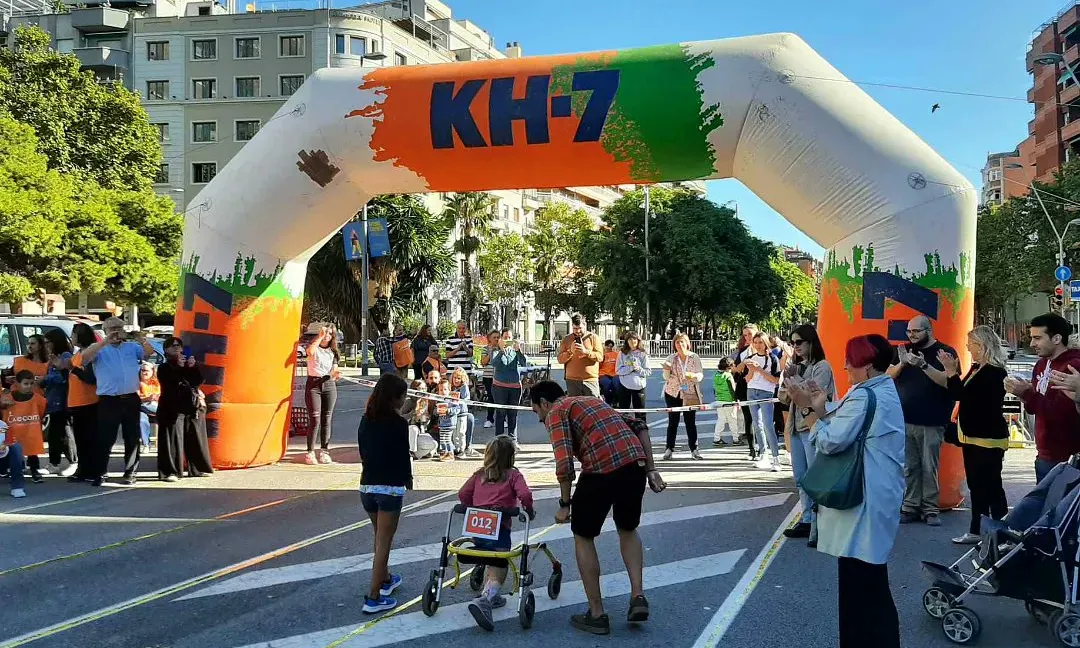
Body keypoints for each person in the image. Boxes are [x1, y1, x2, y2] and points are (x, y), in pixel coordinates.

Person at [786, 334, 904, 648]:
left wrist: (808, 411)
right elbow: (844, 427)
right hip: (878, 494)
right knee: (870, 582)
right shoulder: (881, 389)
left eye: (850, 361)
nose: (846, 367)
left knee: (861, 586)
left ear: (865, 365)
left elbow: (830, 440)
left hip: (864, 497)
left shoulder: (864, 396)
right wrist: (820, 407)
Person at [530, 380, 666, 635]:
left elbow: (564, 462)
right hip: (634, 464)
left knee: (583, 535)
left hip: (601, 469)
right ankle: (637, 596)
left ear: (545, 403)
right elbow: (640, 426)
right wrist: (651, 469)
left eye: (537, 411)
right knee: (627, 528)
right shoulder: (593, 401)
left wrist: (565, 504)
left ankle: (596, 613)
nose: (539, 419)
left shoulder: (557, 412)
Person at [932, 325, 1009, 544]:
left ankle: (1002, 533)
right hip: (973, 437)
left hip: (987, 438)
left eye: (971, 344)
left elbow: (961, 395)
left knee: (992, 486)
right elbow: (962, 393)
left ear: (982, 346)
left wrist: (950, 372)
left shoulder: (994, 371)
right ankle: (977, 530)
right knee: (977, 485)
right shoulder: (978, 368)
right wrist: (953, 373)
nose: (967, 347)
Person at [459, 436, 536, 631]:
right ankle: (486, 598)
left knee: (486, 553)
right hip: (500, 529)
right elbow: (525, 495)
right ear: (511, 457)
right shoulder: (513, 476)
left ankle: (491, 594)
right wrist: (528, 509)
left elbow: (463, 494)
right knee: (499, 564)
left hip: (477, 528)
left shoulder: (479, 475)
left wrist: (473, 508)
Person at [887, 315, 958, 526]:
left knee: (930, 467)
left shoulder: (945, 352)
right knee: (910, 466)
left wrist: (924, 365)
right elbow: (887, 376)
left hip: (933, 420)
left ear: (929, 330)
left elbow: (950, 382)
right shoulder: (902, 351)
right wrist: (901, 363)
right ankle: (909, 506)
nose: (912, 335)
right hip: (905, 419)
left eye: (916, 331)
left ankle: (930, 509)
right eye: (909, 331)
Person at [357, 373, 412, 614]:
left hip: (367, 486)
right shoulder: (399, 424)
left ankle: (386, 578)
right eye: (403, 396)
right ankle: (373, 595)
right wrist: (407, 479)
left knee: (379, 537)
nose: (405, 400)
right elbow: (403, 455)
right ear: (395, 398)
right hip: (390, 488)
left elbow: (363, 451)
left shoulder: (365, 420)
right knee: (383, 545)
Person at [1005, 313, 1080, 483]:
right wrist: (1023, 393)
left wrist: (1027, 394)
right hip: (1044, 453)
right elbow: (1034, 408)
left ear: (1056, 338)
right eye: (1032, 338)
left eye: (1038, 338)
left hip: (1067, 457)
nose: (1032, 344)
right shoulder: (1040, 364)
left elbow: (1061, 414)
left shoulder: (1072, 366)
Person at [778, 324, 836, 544]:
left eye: (799, 342)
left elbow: (812, 395)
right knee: (800, 477)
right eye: (792, 343)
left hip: (813, 426)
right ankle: (807, 518)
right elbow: (784, 397)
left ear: (811, 342)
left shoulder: (822, 367)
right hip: (795, 425)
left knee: (815, 476)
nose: (795, 347)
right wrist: (788, 380)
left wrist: (794, 382)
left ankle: (820, 524)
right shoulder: (796, 367)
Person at [80, 318, 155, 487]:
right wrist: (105, 342)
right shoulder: (99, 349)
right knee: (105, 438)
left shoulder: (131, 347)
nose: (116, 331)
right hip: (109, 400)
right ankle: (100, 473)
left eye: (119, 328)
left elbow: (149, 353)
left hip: (130, 398)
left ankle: (130, 472)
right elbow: (84, 358)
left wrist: (140, 338)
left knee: (132, 437)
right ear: (105, 330)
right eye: (112, 328)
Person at [156, 337, 213, 481]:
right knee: (172, 439)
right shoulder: (164, 367)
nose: (176, 348)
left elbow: (197, 381)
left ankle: (198, 468)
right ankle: (171, 471)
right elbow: (170, 384)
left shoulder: (188, 364)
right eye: (172, 345)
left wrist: (192, 366)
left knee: (195, 436)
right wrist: (179, 367)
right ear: (166, 349)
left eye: (179, 345)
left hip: (190, 405)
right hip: (171, 406)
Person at [736, 331, 781, 471]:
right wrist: (750, 370)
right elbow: (747, 379)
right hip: (751, 391)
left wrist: (759, 370)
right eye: (755, 342)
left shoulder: (773, 358)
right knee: (757, 424)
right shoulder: (750, 357)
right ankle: (763, 454)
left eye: (760, 342)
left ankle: (776, 457)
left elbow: (776, 380)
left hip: (766, 392)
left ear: (766, 343)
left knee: (768, 424)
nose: (757, 345)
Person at [661, 333, 705, 460]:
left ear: (687, 343)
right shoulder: (671, 357)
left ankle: (694, 449)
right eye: (677, 342)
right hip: (673, 392)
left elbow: (700, 374)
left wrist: (694, 376)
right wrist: (666, 369)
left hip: (690, 392)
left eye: (682, 342)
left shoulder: (694, 357)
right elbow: (666, 377)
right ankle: (669, 449)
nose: (680, 345)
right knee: (672, 422)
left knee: (690, 422)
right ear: (674, 345)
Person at [42, 329, 77, 477]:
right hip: (53, 398)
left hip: (62, 400)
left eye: (48, 342)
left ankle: (73, 461)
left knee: (65, 432)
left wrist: (45, 379)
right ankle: (54, 463)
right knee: (54, 433)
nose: (46, 345)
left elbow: (63, 378)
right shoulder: (52, 357)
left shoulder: (65, 356)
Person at [305, 325, 341, 466]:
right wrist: (319, 336)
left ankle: (324, 451)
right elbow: (310, 352)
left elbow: (334, 369)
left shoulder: (333, 352)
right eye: (325, 332)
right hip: (313, 384)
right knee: (315, 419)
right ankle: (310, 452)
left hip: (328, 384)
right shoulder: (315, 346)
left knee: (327, 418)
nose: (327, 335)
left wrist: (336, 374)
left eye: (330, 334)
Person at [67, 323, 99, 482]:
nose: (72, 338)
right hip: (76, 402)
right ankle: (83, 469)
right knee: (80, 438)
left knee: (89, 438)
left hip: (88, 402)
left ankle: (92, 470)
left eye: (74, 335)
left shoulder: (89, 353)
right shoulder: (77, 353)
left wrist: (74, 369)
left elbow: (91, 379)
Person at [2, 370, 47, 483]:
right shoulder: (7, 398)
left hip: (30, 431)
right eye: (26, 384)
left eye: (32, 383)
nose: (29, 386)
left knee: (32, 452)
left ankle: (34, 471)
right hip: (13, 432)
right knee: (10, 451)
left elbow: (42, 411)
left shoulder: (38, 398)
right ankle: (9, 469)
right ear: (17, 384)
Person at [490, 327, 528, 445]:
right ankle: (499, 441)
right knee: (500, 413)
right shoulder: (496, 350)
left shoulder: (515, 351)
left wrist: (519, 351)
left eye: (509, 338)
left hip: (515, 386)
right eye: (505, 338)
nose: (507, 340)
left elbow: (523, 362)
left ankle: (513, 440)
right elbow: (494, 363)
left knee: (513, 414)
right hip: (499, 386)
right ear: (501, 339)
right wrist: (502, 350)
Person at [556, 314, 604, 397]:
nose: (577, 331)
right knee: (574, 406)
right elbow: (560, 360)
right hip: (572, 380)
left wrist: (586, 352)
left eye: (580, 328)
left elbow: (600, 357)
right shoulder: (566, 339)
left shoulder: (593, 337)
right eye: (575, 328)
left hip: (590, 380)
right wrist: (570, 352)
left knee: (592, 406)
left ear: (585, 325)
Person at [731, 325, 759, 459]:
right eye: (745, 335)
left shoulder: (763, 350)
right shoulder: (743, 351)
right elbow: (735, 369)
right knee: (748, 419)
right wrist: (741, 366)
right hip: (743, 387)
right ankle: (752, 449)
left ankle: (763, 449)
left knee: (760, 419)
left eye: (750, 334)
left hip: (760, 388)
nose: (748, 337)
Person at [615, 332, 651, 421]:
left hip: (639, 387)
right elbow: (618, 370)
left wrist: (638, 369)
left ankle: (642, 432)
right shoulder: (622, 353)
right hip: (624, 385)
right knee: (623, 413)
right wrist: (630, 368)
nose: (632, 341)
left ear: (638, 340)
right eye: (630, 339)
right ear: (627, 341)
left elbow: (648, 371)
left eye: (634, 339)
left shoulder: (643, 354)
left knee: (640, 414)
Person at [402, 380, 437, 460]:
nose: (423, 391)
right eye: (420, 389)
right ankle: (411, 452)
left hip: (421, 433)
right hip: (408, 432)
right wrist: (414, 412)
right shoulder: (408, 401)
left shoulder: (429, 402)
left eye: (424, 388)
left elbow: (427, 425)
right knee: (413, 429)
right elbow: (400, 419)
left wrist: (428, 419)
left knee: (434, 444)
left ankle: (416, 455)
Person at [712, 357, 741, 445]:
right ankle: (736, 439)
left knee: (721, 420)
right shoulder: (728, 376)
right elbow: (732, 389)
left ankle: (716, 438)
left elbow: (714, 389)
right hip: (729, 401)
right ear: (730, 366)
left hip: (719, 400)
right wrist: (736, 400)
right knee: (733, 420)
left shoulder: (716, 375)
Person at [448, 368, 474, 457]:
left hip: (462, 414)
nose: (456, 380)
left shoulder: (464, 387)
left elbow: (466, 399)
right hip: (454, 414)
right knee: (455, 432)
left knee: (461, 432)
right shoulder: (451, 388)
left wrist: (458, 401)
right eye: (454, 378)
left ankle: (462, 449)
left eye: (458, 378)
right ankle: (456, 448)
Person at [433, 380, 461, 461]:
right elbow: (435, 411)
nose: (443, 392)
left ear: (449, 390)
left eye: (445, 389)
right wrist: (437, 411)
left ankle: (450, 453)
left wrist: (448, 410)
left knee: (447, 439)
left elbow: (457, 409)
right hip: (442, 424)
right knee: (442, 439)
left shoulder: (452, 400)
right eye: (441, 390)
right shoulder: (438, 400)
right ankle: (444, 454)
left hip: (450, 424)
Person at [137, 363, 160, 450]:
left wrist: (156, 397)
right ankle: (146, 444)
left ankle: (164, 444)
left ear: (152, 372)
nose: (144, 373)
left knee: (166, 417)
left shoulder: (156, 383)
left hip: (156, 407)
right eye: (142, 370)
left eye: (146, 371)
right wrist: (147, 398)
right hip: (142, 407)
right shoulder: (137, 383)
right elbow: (136, 400)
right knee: (142, 420)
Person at [479, 330, 499, 430]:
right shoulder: (485, 349)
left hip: (499, 377)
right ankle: (489, 419)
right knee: (491, 397)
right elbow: (483, 362)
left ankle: (501, 419)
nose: (496, 339)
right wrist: (490, 351)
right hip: (488, 377)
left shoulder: (501, 349)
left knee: (500, 398)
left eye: (497, 337)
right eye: (494, 337)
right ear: (489, 339)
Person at [0, 421, 26, 497]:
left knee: (16, 447)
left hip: (2, 459)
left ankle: (17, 487)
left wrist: (5, 445)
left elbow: (9, 441)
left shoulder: (3, 425)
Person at [598, 340, 619, 406]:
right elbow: (598, 366)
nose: (609, 348)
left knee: (617, 385)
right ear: (604, 346)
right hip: (603, 374)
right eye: (607, 346)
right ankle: (608, 402)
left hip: (615, 374)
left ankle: (616, 401)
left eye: (611, 346)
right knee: (607, 385)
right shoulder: (601, 354)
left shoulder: (617, 354)